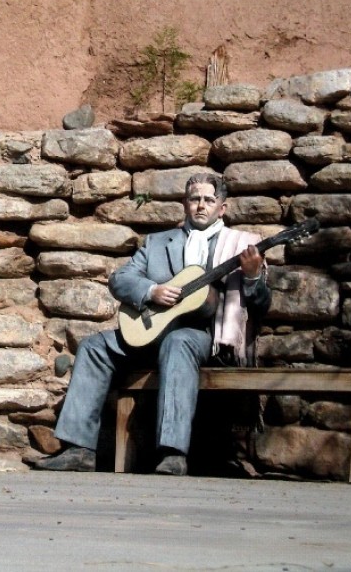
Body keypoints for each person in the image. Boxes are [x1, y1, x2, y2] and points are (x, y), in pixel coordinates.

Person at [33, 173, 271, 475]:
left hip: (204, 339)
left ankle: (172, 454)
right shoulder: (158, 243)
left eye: (209, 200)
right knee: (94, 346)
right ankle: (78, 450)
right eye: (195, 199)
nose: (201, 206)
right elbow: (120, 279)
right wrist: (151, 291)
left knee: (178, 341)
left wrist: (251, 276)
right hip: (150, 332)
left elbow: (261, 305)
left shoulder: (239, 246)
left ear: (222, 208)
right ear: (184, 204)